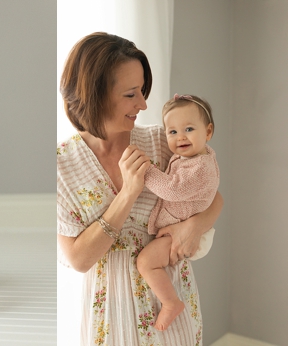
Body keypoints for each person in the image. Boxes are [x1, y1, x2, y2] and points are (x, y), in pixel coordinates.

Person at [57, 32, 223, 345]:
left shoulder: (163, 140)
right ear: (96, 95)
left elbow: (212, 196)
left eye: (142, 90)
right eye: (131, 94)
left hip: (172, 304)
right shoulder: (61, 166)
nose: (144, 104)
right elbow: (79, 260)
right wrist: (129, 193)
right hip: (111, 315)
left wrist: (193, 227)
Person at [137, 94, 219, 331]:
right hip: (183, 226)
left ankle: (171, 303)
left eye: (189, 129)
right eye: (172, 132)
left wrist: (147, 171)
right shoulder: (196, 157)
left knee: (146, 262)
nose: (180, 136)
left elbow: (173, 189)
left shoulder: (200, 166)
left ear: (208, 131)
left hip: (180, 234)